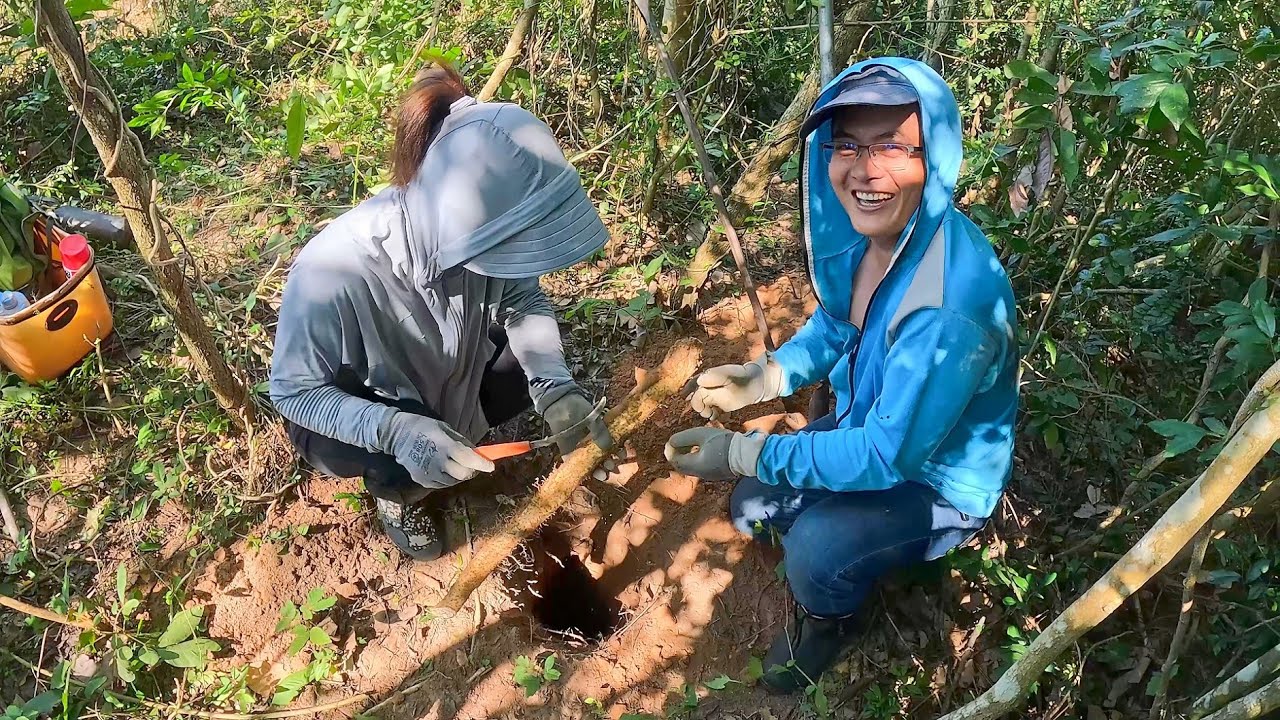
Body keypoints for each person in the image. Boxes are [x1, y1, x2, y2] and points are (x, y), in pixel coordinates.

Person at [664, 58, 1019, 692]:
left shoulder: (948, 308)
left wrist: (743, 448)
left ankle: (830, 619)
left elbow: (886, 456)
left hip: (933, 479)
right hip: (872, 423)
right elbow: (838, 326)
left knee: (817, 549)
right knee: (753, 509)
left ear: (934, 157)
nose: (865, 169)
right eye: (849, 144)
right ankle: (839, 555)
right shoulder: (881, 236)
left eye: (892, 146)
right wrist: (766, 378)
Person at [269, 64, 613, 561]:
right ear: (453, 230)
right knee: (394, 460)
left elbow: (524, 301)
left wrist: (556, 388)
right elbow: (295, 392)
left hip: (449, 366)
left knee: (524, 368)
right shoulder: (331, 271)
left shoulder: (481, 229)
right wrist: (397, 431)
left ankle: (453, 440)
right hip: (370, 400)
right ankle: (398, 498)